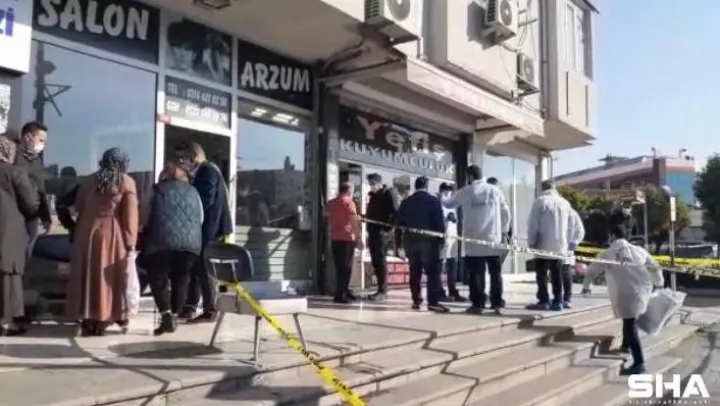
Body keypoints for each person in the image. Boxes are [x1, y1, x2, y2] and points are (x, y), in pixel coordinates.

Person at [65, 148, 139, 337]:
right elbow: (130, 216)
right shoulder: (126, 182)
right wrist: (131, 242)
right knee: (109, 277)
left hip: (85, 230)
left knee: (86, 275)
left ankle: (87, 317)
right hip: (111, 232)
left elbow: (78, 206)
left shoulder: (88, 181)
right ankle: (105, 316)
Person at [581, 225, 663, 375]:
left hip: (625, 292)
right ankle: (625, 346)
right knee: (629, 319)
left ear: (613, 236)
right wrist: (659, 282)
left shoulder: (609, 252)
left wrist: (586, 286)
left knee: (630, 324)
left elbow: (593, 269)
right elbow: (655, 267)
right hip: (642, 290)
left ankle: (639, 362)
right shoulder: (639, 250)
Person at [141, 163, 203, 335]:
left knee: (158, 278)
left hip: (161, 241)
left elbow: (145, 215)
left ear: (164, 176)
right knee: (181, 279)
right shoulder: (194, 192)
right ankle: (174, 315)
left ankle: (166, 314)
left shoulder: (156, 190)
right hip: (190, 244)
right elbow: (201, 217)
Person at [176, 142, 232, 323]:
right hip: (204, 228)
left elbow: (205, 200)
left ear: (195, 157)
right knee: (196, 267)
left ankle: (210, 309)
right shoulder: (204, 171)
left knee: (205, 268)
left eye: (185, 158)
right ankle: (191, 306)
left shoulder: (207, 170)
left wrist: (188, 211)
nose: (183, 162)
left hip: (210, 229)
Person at [443, 166, 510, 315]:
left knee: (476, 274)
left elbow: (449, 204)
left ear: (470, 176)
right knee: (495, 273)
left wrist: (440, 197)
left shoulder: (467, 191)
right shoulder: (495, 191)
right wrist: (503, 232)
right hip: (493, 239)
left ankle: (478, 304)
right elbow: (506, 213)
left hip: (474, 240)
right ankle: (497, 303)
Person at [0, 137, 39, 336]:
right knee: (8, 277)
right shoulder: (15, 172)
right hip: (8, 233)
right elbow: (31, 204)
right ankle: (6, 323)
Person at [526, 180, 583, 311]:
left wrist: (531, 242)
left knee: (542, 273)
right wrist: (569, 242)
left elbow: (533, 224)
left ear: (543, 188)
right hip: (560, 245)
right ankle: (558, 300)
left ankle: (544, 300)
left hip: (543, 243)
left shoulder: (540, 201)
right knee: (557, 273)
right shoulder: (565, 203)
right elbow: (572, 224)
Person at [397, 177, 448, 313]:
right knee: (433, 272)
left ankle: (416, 300)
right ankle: (433, 302)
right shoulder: (433, 201)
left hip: (410, 242)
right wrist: (442, 240)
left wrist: (399, 244)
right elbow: (439, 223)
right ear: (426, 186)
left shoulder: (406, 202)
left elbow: (398, 224)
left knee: (415, 272)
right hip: (429, 242)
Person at [14, 122, 51, 258]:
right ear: (28, 137)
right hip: (14, 214)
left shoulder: (36, 161)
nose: (43, 145)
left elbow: (41, 189)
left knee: (26, 256)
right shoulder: (11, 157)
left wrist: (45, 216)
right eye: (40, 140)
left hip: (32, 217)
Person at [365, 173, 400, 301]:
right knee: (376, 261)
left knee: (380, 261)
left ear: (380, 183)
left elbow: (396, 213)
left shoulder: (389, 193)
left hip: (382, 233)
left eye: (373, 183)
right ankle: (380, 289)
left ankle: (383, 291)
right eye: (370, 184)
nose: (371, 186)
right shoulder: (373, 196)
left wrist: (388, 229)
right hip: (373, 231)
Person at [326, 182, 362, 304]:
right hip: (347, 238)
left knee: (339, 267)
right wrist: (359, 238)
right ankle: (341, 294)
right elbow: (354, 223)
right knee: (346, 268)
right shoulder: (349, 203)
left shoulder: (331, 203)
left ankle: (343, 291)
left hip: (335, 238)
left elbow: (326, 215)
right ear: (349, 190)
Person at [438, 183, 465, 302]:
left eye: (450, 190)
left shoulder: (453, 204)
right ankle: (439, 291)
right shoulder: (437, 202)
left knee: (452, 265)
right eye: (446, 190)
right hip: (441, 237)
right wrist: (446, 218)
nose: (448, 193)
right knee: (440, 265)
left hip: (452, 237)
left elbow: (455, 219)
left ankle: (452, 290)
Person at [561, 208, 586, 307]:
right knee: (557, 272)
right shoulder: (554, 212)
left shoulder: (571, 213)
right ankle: (558, 298)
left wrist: (574, 243)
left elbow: (580, 230)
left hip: (568, 248)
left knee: (566, 272)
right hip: (555, 247)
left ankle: (567, 298)